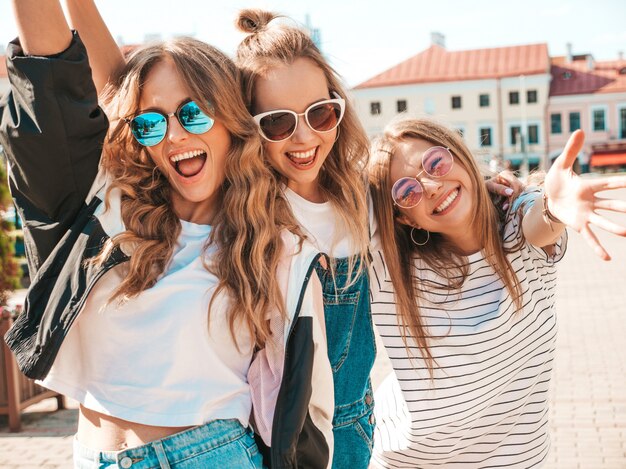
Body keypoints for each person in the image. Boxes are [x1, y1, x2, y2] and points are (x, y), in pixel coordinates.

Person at [0, 1, 333, 467]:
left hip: (213, 456)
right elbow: (52, 82)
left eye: (193, 113)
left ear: (231, 120)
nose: (174, 134)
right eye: (152, 122)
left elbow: (307, 409)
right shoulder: (104, 214)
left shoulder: (277, 245)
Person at [367, 117, 626, 468]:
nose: (429, 185)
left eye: (435, 163)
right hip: (404, 460)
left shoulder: (516, 222)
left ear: (459, 154)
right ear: (404, 219)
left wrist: (554, 209)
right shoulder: (391, 268)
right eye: (407, 191)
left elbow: (539, 221)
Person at [234, 10, 377, 468]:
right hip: (282, 441)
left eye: (321, 113)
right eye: (277, 122)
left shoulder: (363, 198)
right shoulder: (245, 217)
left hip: (358, 430)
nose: (304, 137)